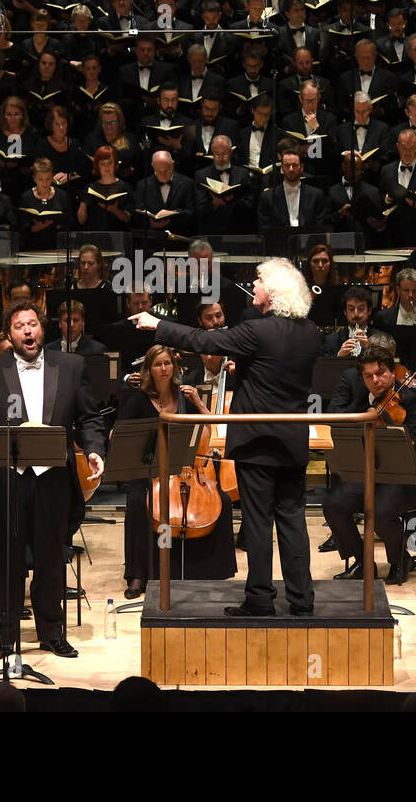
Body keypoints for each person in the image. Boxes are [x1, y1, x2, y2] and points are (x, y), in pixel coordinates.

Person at [130, 257, 321, 617]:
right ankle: (301, 598)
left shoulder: (257, 329)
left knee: (259, 523)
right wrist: (247, 366)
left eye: (260, 281)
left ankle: (261, 599)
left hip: (256, 442)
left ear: (274, 292)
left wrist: (157, 323)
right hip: (292, 439)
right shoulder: (310, 332)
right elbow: (275, 371)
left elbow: (204, 340)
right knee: (293, 520)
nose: (255, 286)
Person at [0, 300, 106, 661]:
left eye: (32, 324)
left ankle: (52, 632)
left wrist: (94, 449)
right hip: (7, 481)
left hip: (53, 478)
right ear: (9, 334)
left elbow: (90, 416)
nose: (27, 330)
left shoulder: (71, 366)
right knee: (4, 560)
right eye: (19, 326)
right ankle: (2, 635)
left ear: (43, 328)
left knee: (51, 557)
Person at [117, 345, 237, 598]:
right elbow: (118, 436)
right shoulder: (138, 400)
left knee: (224, 502)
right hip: (150, 471)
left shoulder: (185, 396)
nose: (164, 369)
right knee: (138, 502)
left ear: (174, 367)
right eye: (158, 364)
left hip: (188, 470)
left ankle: (215, 571)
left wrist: (197, 402)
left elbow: (213, 427)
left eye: (168, 363)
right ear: (149, 369)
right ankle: (139, 574)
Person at [323, 346, 416, 584]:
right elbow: (343, 431)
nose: (375, 380)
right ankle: (361, 561)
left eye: (381, 373)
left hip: (409, 478)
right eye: (368, 376)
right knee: (333, 504)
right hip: (372, 475)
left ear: (393, 373)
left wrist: (389, 421)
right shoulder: (361, 403)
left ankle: (399, 560)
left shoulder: (411, 402)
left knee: (380, 512)